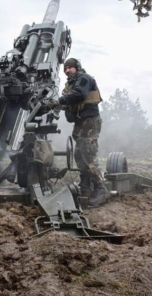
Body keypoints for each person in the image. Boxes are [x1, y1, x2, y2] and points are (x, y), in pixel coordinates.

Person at [45, 58, 108, 206]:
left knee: (87, 153)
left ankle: (100, 188)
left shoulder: (84, 79)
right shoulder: (70, 86)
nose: (67, 70)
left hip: (90, 121)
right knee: (79, 154)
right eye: (65, 68)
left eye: (70, 67)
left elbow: (79, 94)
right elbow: (70, 105)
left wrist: (58, 102)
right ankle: (85, 186)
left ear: (77, 67)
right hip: (81, 123)